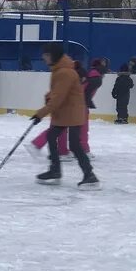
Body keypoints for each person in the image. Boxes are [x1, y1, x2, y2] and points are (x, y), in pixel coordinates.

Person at [32, 42, 98, 189]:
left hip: (72, 113)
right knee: (51, 137)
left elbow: (58, 97)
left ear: (53, 55)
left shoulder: (64, 72)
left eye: (46, 54)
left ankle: (90, 176)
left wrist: (40, 114)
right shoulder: (59, 70)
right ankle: (55, 171)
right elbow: (57, 93)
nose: (43, 57)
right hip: (65, 111)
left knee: (74, 145)